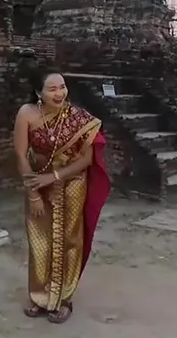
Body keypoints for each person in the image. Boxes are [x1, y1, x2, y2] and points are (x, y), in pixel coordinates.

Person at [12, 70, 111, 323]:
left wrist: (54, 177)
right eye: (52, 89)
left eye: (62, 87)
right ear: (39, 93)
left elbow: (87, 159)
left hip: (72, 183)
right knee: (40, 239)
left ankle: (63, 298)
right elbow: (21, 155)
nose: (60, 93)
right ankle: (40, 297)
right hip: (37, 183)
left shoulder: (77, 117)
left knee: (69, 239)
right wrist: (33, 194)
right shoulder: (26, 114)